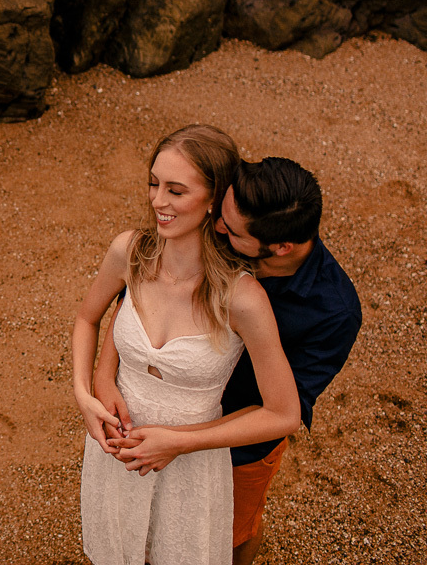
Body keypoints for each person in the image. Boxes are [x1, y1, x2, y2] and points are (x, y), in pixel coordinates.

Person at [96, 157, 362, 565]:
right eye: (220, 214)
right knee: (145, 527)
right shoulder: (226, 223)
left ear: (280, 247)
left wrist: (182, 441)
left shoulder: (333, 313)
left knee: (227, 536)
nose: (216, 228)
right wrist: (104, 373)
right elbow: (140, 289)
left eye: (231, 229)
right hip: (150, 415)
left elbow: (283, 413)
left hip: (237, 444)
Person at [72, 126, 300, 565]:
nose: (158, 201)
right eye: (154, 184)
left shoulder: (243, 298)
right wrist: (85, 393)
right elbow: (87, 318)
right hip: (115, 450)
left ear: (215, 199)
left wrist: (179, 442)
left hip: (191, 464)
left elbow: (284, 413)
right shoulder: (129, 252)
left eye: (176, 190)